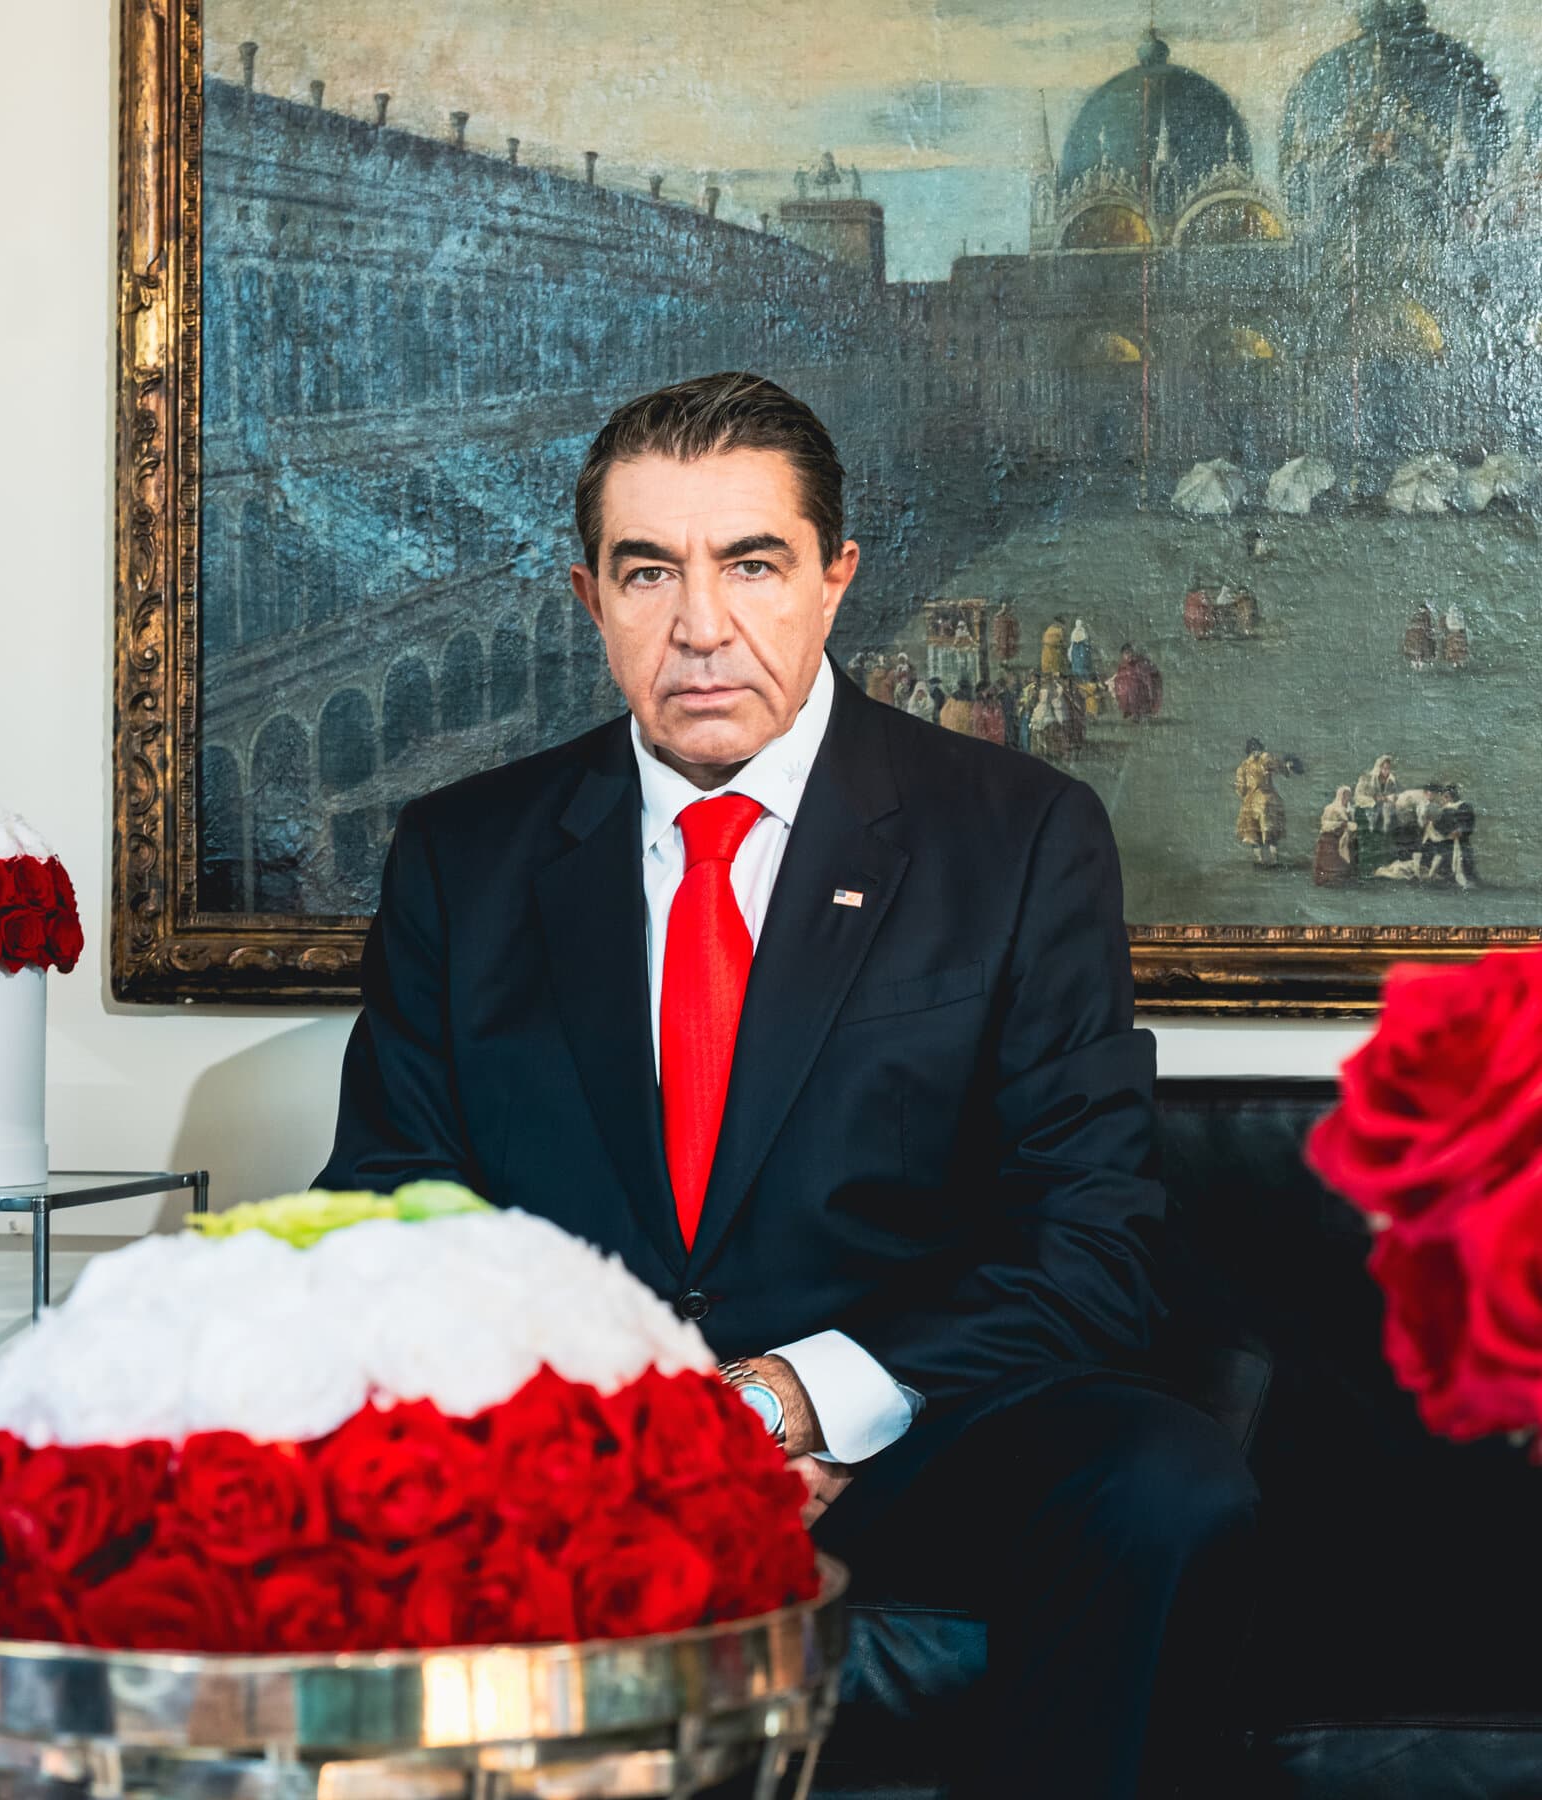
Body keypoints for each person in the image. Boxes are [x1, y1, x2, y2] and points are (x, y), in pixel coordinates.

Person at [319, 373, 1255, 1800]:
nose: (702, 626)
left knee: (1163, 1479)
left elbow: (1094, 1242)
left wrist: (779, 1408)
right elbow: (389, 1212)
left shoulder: (1017, 837)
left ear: (835, 582)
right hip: (573, 1461)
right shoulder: (468, 854)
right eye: (650, 573)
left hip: (914, 1438)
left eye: (751, 564)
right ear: (591, 598)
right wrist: (621, 1438)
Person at [1234, 736, 1302, 866]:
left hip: (1251, 802)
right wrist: (1287, 766)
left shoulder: (1243, 766)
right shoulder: (1266, 759)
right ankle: (1274, 860)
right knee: (1272, 833)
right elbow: (1281, 767)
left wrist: (1245, 794)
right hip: (1270, 799)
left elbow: (1240, 788)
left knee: (1254, 833)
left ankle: (1259, 860)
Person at [1314, 786, 1357, 886]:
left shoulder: (1350, 810)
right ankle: (1327, 879)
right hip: (1331, 836)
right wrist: (1339, 825)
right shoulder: (1331, 808)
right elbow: (1325, 824)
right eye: (1345, 795)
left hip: (1344, 836)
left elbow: (1352, 823)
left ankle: (1342, 877)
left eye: (1348, 796)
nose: (1346, 798)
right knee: (1330, 859)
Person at [992, 599, 1021, 666]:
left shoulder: (1010, 616)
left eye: (1005, 606)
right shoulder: (998, 616)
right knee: (1002, 648)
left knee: (1008, 648)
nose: (1004, 608)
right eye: (1003, 606)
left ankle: (1006, 661)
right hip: (1001, 635)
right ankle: (1003, 661)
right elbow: (996, 626)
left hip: (1008, 635)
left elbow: (1014, 625)